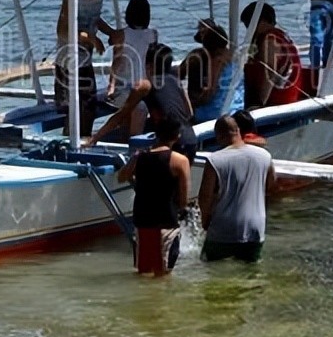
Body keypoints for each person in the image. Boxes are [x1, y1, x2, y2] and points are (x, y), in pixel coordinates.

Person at [88, 43, 197, 159]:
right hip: (191, 140)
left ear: (149, 66)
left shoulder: (144, 85)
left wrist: (94, 138)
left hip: (173, 145)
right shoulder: (176, 80)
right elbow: (189, 112)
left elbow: (121, 115)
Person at [116, 117, 191, 276]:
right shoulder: (179, 161)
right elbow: (183, 198)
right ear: (177, 136)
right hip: (166, 222)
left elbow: (121, 177)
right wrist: (182, 210)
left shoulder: (140, 157)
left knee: (143, 272)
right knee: (163, 274)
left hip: (142, 221)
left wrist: (134, 161)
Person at [199, 114, 275, 262]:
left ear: (219, 136)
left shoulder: (215, 160)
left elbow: (205, 197)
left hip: (223, 227)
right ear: (238, 131)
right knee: (251, 274)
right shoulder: (264, 155)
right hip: (255, 227)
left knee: (210, 270)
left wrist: (205, 219)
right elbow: (271, 183)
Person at [55, 0, 114, 136]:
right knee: (75, 108)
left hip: (85, 60)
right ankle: (70, 143)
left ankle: (85, 141)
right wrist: (91, 39)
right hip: (68, 60)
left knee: (88, 106)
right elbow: (62, 31)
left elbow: (94, 17)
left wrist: (111, 32)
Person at [106, 0, 158, 138]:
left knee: (132, 113)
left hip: (126, 85)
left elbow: (116, 62)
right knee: (137, 111)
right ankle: (134, 142)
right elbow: (152, 61)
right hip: (145, 85)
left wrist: (111, 86)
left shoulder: (121, 35)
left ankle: (132, 142)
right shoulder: (153, 35)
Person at [179, 18, 244, 122]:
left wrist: (195, 103)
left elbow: (211, 91)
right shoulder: (235, 56)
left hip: (218, 111)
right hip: (237, 106)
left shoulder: (216, 61)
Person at [239, 2, 303, 108]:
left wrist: (259, 105)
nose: (248, 29)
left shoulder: (270, 40)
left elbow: (269, 74)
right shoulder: (281, 36)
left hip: (276, 103)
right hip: (286, 99)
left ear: (261, 21)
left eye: (248, 24)